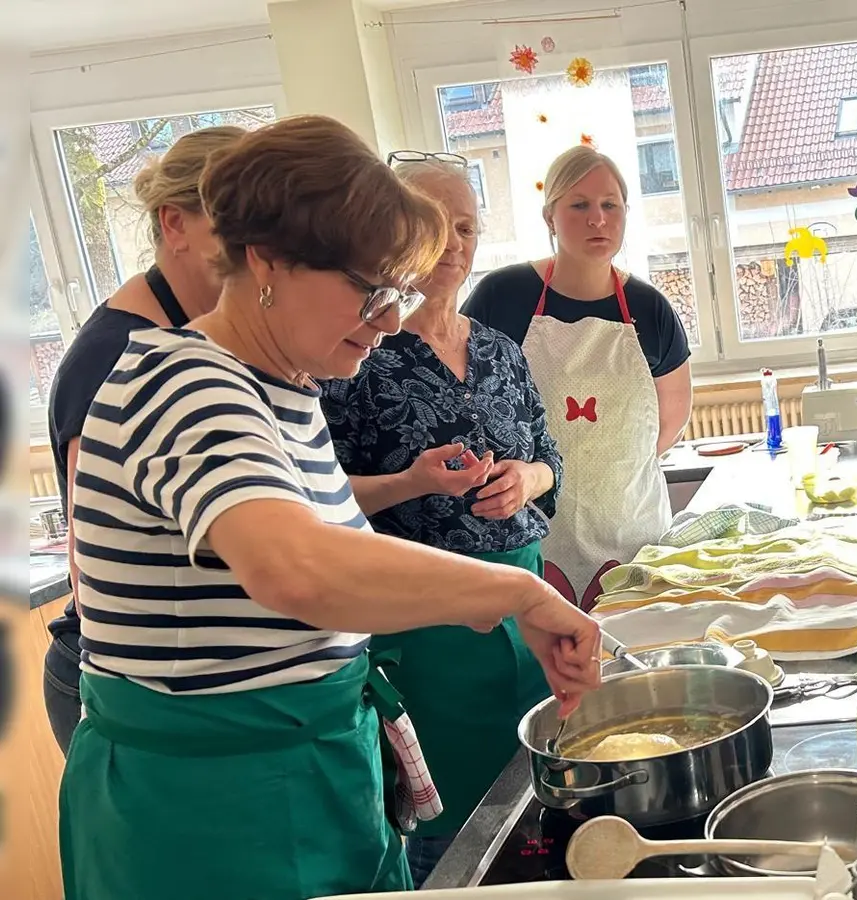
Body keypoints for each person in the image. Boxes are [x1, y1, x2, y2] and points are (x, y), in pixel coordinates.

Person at [59, 115, 601, 900]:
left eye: (398, 293)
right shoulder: (181, 383)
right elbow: (296, 568)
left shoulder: (287, 389)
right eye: (371, 289)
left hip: (317, 775)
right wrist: (517, 593)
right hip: (209, 812)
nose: (391, 320)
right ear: (267, 259)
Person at [321, 152, 564, 885]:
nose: (454, 243)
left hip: (527, 612)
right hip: (424, 630)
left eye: (466, 226)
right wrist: (409, 482)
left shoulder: (499, 350)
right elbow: (320, 501)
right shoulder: (355, 356)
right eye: (434, 225)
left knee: (542, 804)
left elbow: (551, 458)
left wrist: (526, 479)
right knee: (455, 839)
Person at [43, 125, 247, 755]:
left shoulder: (196, 339)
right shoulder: (114, 358)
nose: (256, 259)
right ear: (174, 224)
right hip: (126, 688)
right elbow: (90, 572)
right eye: (235, 233)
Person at [464, 145, 691, 609]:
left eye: (610, 205)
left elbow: (670, 421)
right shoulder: (502, 296)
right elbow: (463, 398)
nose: (598, 220)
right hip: (534, 530)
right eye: (579, 205)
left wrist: (608, 471)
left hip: (633, 529)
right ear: (550, 216)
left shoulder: (650, 308)